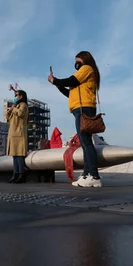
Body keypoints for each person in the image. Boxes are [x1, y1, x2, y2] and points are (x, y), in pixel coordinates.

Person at [48, 51, 102, 188]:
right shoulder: (82, 77)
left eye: (77, 60)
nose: (75, 63)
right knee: (85, 143)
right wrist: (57, 85)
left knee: (86, 143)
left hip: (84, 108)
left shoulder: (87, 69)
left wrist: (55, 80)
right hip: (80, 108)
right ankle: (86, 174)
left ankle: (94, 175)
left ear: (84, 59)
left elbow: (71, 81)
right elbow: (69, 93)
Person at [5, 88, 29, 183]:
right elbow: (7, 117)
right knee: (14, 155)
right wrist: (11, 108)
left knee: (19, 155)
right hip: (13, 133)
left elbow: (20, 113)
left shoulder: (23, 105)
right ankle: (15, 174)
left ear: (21, 96)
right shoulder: (16, 106)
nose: (15, 97)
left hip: (19, 133)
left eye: (17, 95)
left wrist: (14, 108)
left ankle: (21, 175)